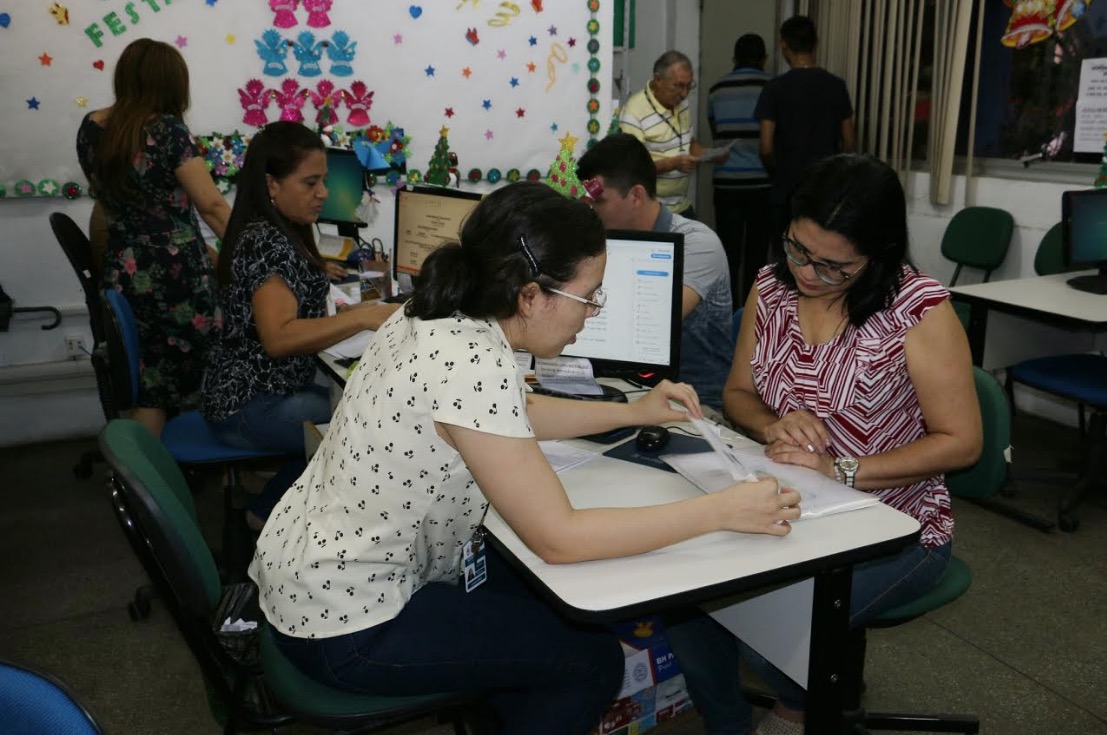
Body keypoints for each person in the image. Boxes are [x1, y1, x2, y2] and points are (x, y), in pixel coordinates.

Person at [248, 181, 800, 735]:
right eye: (590, 297)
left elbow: (513, 411)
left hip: (306, 575)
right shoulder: (472, 363)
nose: (593, 313)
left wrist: (633, 413)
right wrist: (722, 511)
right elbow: (560, 539)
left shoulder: (432, 310)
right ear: (530, 295)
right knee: (590, 660)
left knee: (540, 606)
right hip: (348, 625)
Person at [664, 154, 982, 735]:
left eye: (835, 267)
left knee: (766, 637)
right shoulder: (771, 286)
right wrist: (770, 424)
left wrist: (841, 469)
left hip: (898, 528)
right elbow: (738, 393)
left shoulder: (919, 310)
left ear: (877, 255)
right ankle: (733, 724)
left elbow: (961, 444)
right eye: (797, 249)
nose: (808, 274)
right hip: (789, 507)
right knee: (683, 601)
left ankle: (795, 707)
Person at [201, 121, 399, 526]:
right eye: (310, 183)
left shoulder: (273, 231)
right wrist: (361, 316)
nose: (323, 193)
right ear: (272, 184)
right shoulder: (267, 242)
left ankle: (267, 508)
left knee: (357, 410)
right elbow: (278, 337)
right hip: (249, 404)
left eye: (323, 180)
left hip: (255, 390)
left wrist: (343, 318)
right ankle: (271, 516)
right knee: (366, 428)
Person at [76, 38, 231, 438]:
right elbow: (211, 206)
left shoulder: (92, 127)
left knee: (150, 386)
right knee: (225, 356)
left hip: (123, 273)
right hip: (175, 278)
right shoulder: (167, 130)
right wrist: (253, 249)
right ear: (170, 84)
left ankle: (148, 483)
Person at [577, 133, 734, 416]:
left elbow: (649, 325)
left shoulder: (697, 244)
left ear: (636, 195)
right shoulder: (602, 240)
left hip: (693, 400)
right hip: (622, 389)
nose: (590, 209)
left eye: (599, 200)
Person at [755, 15, 856, 234]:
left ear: (784, 45)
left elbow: (765, 147)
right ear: (816, 42)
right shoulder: (836, 86)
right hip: (826, 189)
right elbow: (849, 142)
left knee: (787, 257)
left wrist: (778, 172)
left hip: (786, 188)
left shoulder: (775, 89)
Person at [707, 33, 773, 304]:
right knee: (758, 254)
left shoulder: (716, 90)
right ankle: (752, 312)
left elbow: (716, 133)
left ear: (734, 58)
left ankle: (729, 309)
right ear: (764, 59)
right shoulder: (772, 87)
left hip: (727, 184)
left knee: (729, 253)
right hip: (762, 183)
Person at [619, 50, 706, 218]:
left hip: (681, 205)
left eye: (689, 86)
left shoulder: (681, 104)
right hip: (651, 209)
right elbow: (630, 168)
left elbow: (689, 140)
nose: (684, 93)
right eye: (679, 85)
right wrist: (673, 164)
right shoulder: (634, 112)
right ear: (658, 80)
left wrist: (702, 152)